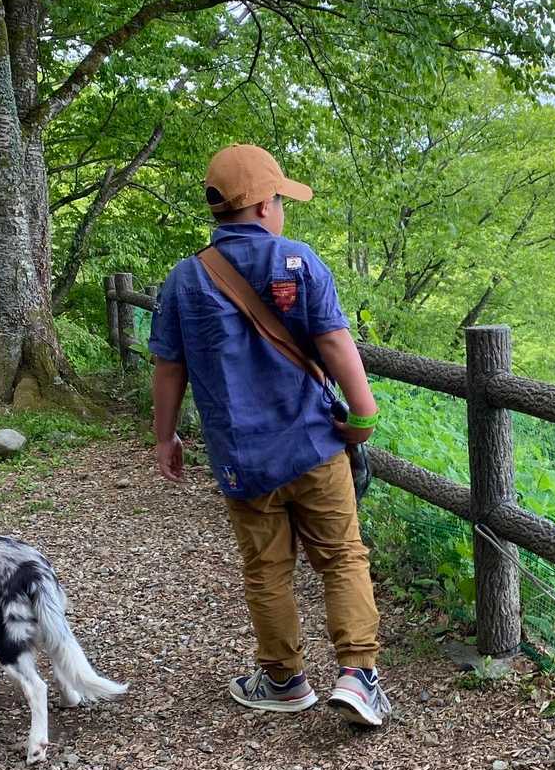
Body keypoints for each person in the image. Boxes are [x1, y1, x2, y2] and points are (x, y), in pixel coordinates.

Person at [149, 144, 389, 728]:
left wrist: (165, 437)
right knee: (342, 557)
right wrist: (363, 415)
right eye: (280, 199)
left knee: (266, 569)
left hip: (244, 457)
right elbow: (334, 341)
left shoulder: (184, 279)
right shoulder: (298, 261)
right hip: (314, 444)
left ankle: (283, 679)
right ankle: (358, 676)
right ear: (261, 205)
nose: (282, 209)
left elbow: (169, 367)